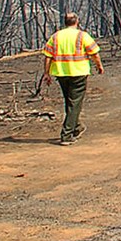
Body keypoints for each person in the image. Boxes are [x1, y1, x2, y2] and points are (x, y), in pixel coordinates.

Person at [42, 12, 104, 145]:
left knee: (70, 102)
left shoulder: (56, 36)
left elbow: (48, 56)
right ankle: (67, 135)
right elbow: (94, 53)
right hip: (79, 73)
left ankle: (77, 127)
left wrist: (46, 73)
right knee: (75, 103)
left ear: (65, 22)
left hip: (61, 73)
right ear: (77, 21)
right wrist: (99, 66)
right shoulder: (82, 36)